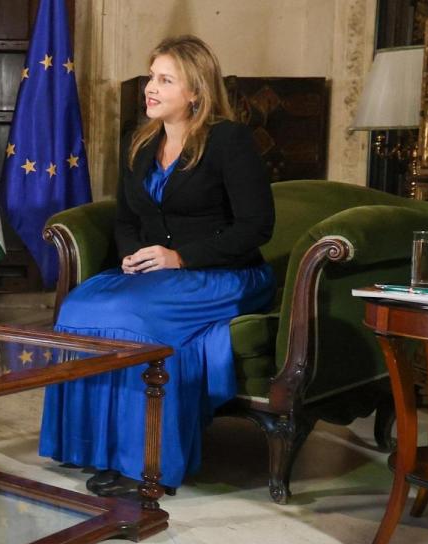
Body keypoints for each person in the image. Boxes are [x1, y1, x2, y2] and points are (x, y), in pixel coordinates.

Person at [38, 35, 276, 497]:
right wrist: (130, 254)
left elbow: (256, 226)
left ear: (196, 92)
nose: (150, 87)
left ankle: (141, 462)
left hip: (225, 274)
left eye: (165, 80)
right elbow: (127, 218)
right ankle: (96, 447)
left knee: (131, 318)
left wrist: (181, 257)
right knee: (78, 306)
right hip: (158, 273)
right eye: (152, 76)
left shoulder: (229, 140)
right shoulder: (140, 141)